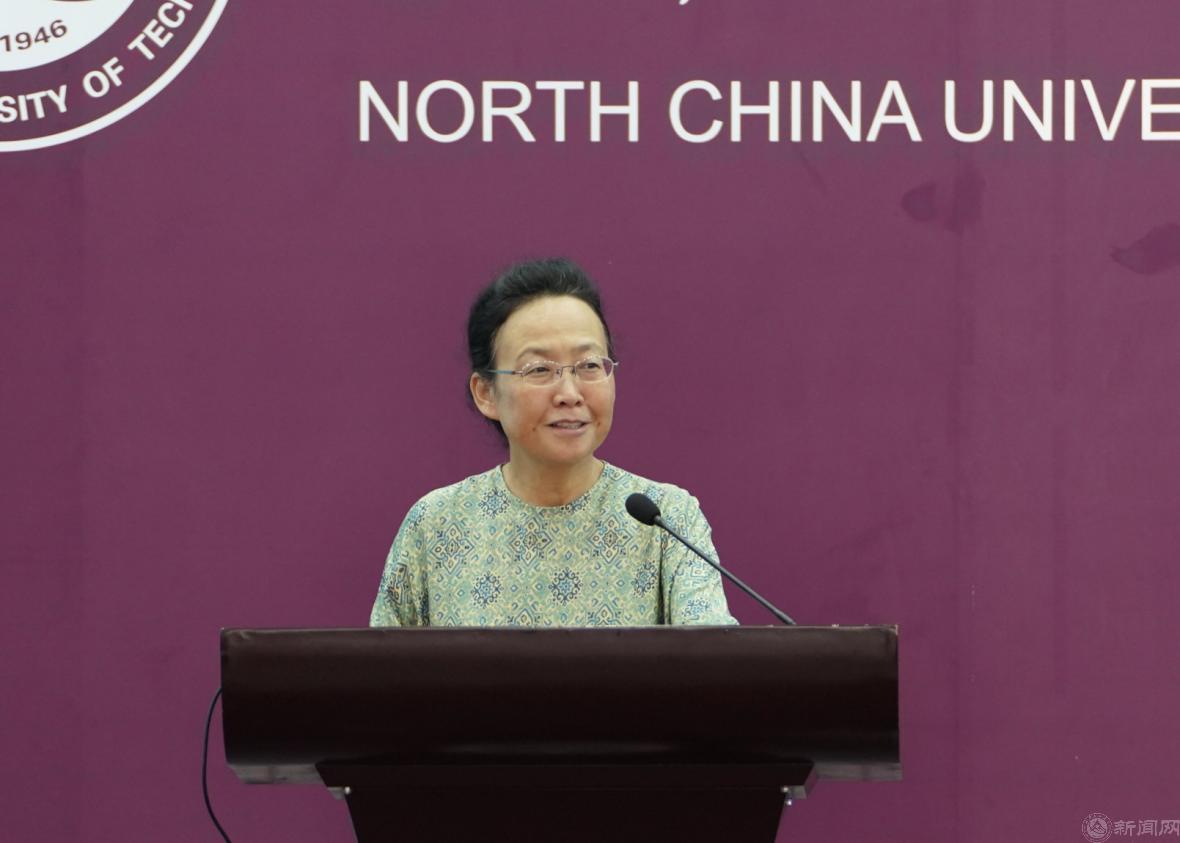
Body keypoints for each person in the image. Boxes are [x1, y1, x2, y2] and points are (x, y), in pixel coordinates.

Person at [369, 258, 736, 627]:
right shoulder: (435, 525)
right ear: (486, 393)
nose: (570, 394)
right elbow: (382, 663)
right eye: (540, 370)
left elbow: (713, 658)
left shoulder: (667, 519)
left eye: (589, 366)